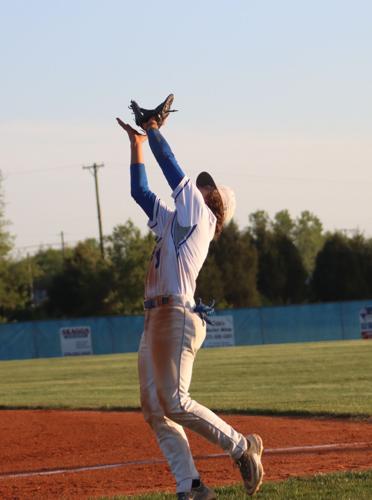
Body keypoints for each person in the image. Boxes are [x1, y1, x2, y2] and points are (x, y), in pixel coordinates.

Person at [116, 95, 264, 499]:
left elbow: (172, 170)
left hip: (176, 315)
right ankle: (192, 486)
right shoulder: (175, 220)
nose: (203, 187)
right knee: (154, 408)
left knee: (176, 402)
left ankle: (242, 446)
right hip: (155, 318)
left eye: (210, 188)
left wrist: (154, 129)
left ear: (217, 206)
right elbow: (141, 192)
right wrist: (137, 145)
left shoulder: (201, 214)